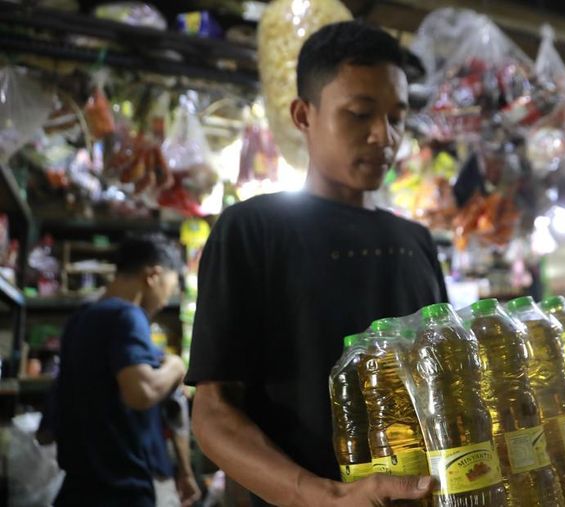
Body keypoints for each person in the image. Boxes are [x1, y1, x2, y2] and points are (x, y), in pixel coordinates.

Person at [187, 21, 447, 507]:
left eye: (396, 117)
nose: (383, 136)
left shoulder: (416, 241)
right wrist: (325, 497)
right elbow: (213, 411)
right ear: (303, 115)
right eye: (360, 114)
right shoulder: (253, 230)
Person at [53, 234, 201, 507]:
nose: (165, 299)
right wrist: (177, 366)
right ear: (153, 275)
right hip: (121, 489)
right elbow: (140, 393)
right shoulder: (127, 315)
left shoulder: (80, 319)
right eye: (169, 288)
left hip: (77, 486)